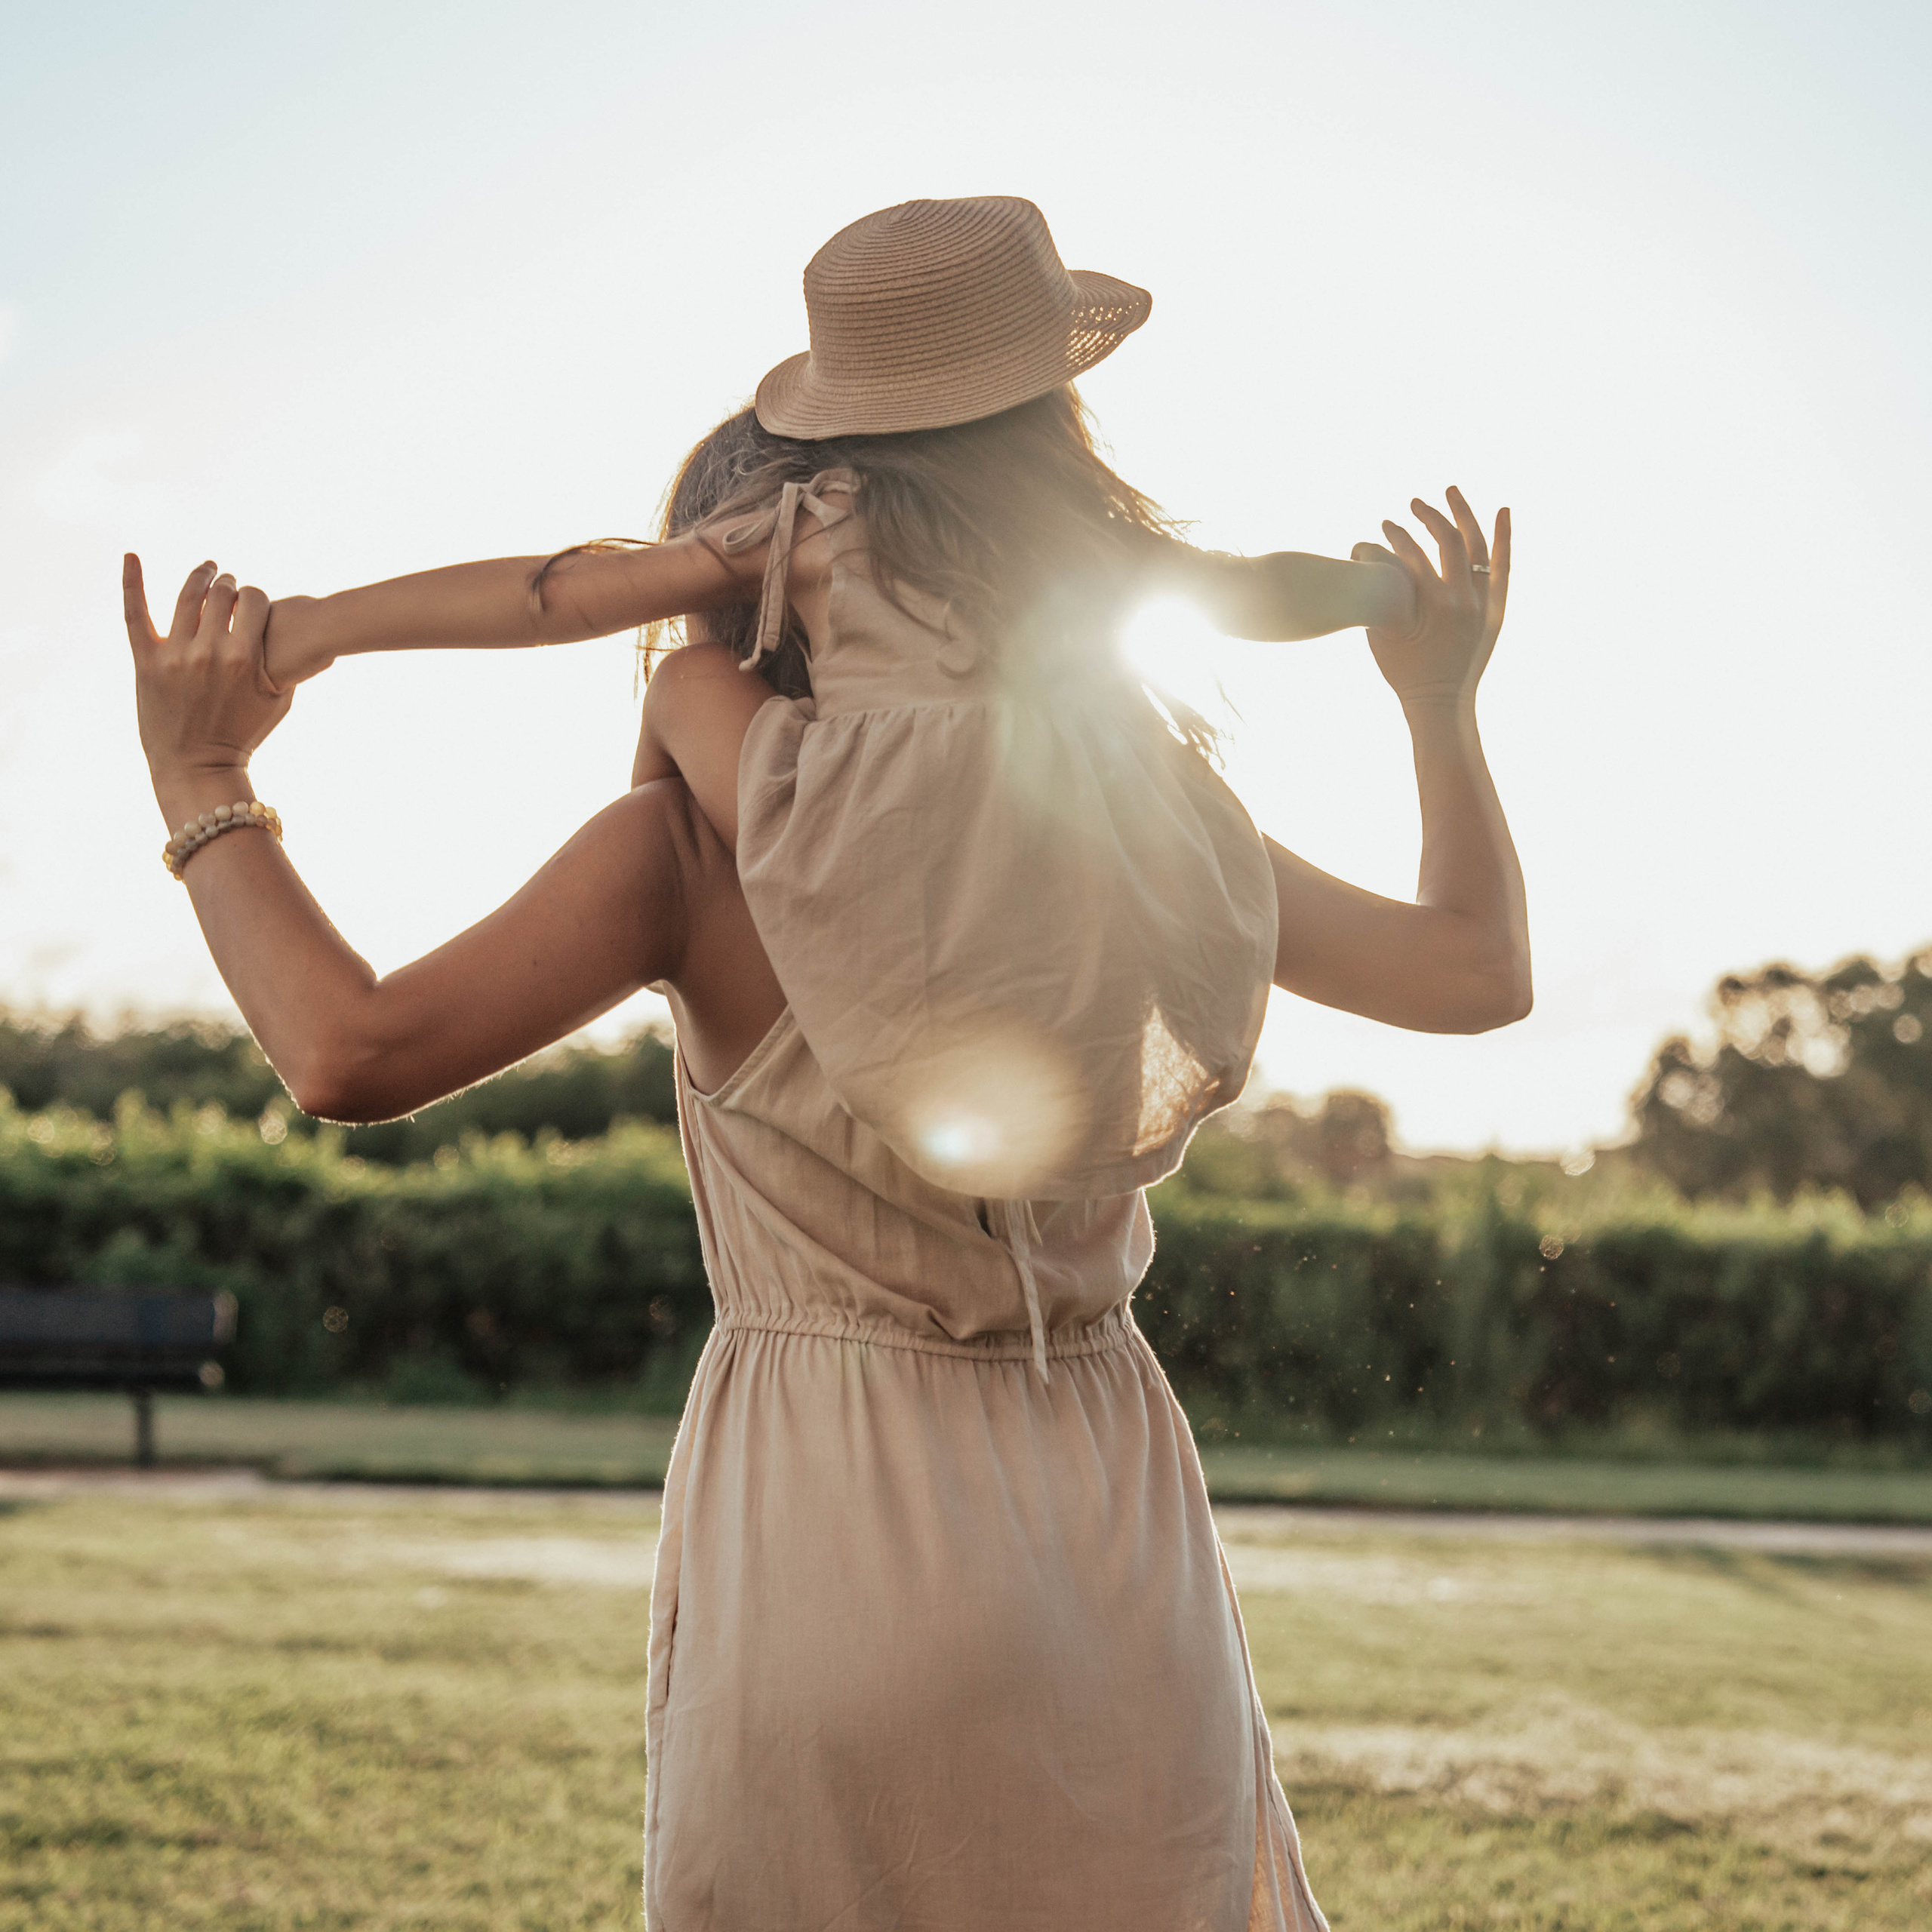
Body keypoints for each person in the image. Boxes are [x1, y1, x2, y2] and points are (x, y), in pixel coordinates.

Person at [123, 195, 1525, 1931]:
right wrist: (1435, 697)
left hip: (826, 1524)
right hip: (1109, 1537)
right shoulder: (1149, 825)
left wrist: (209, 780)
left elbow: (348, 1048)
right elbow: (1474, 973)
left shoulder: (686, 841)